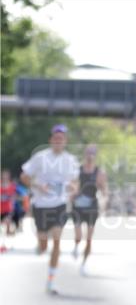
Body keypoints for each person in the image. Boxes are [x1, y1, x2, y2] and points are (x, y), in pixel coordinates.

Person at [20, 124, 80, 294]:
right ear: (50, 140)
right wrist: (38, 185)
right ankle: (40, 245)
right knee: (44, 245)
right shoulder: (40, 157)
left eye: (61, 139)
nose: (58, 141)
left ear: (65, 141)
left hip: (60, 205)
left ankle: (50, 282)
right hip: (40, 205)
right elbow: (24, 176)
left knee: (57, 241)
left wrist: (74, 190)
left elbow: (75, 182)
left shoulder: (71, 160)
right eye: (56, 138)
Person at [71, 144, 108, 275]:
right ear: (85, 154)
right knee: (78, 236)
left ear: (95, 155)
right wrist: (73, 193)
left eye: (93, 153)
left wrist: (104, 196)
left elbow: (104, 190)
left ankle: (83, 264)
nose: (90, 155)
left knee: (89, 238)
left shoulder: (99, 172)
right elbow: (72, 185)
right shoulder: (78, 170)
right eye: (88, 152)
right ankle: (76, 246)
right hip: (78, 206)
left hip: (92, 206)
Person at [1, 170, 16, 236]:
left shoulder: (12, 185)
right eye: (4, 175)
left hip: (7, 207)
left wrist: (12, 204)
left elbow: (13, 196)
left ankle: (8, 232)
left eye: (6, 175)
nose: (5, 177)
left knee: (8, 221)